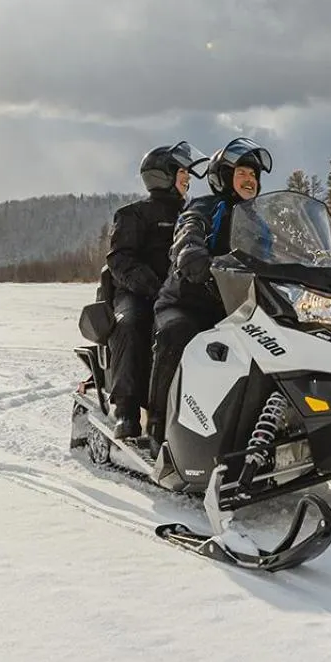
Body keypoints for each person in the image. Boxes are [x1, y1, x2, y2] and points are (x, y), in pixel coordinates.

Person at [146, 136, 272, 443]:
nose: (250, 180)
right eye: (242, 173)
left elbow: (284, 253)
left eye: (253, 175)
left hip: (239, 307)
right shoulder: (206, 207)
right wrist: (191, 252)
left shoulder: (262, 222)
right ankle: (158, 424)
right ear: (224, 176)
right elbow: (188, 229)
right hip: (190, 300)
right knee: (176, 334)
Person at [97, 141, 197, 439]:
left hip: (182, 293)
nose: (187, 179)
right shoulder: (134, 214)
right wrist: (153, 285)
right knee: (130, 325)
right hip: (138, 293)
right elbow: (119, 258)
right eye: (182, 173)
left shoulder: (194, 214)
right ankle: (126, 409)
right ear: (163, 175)